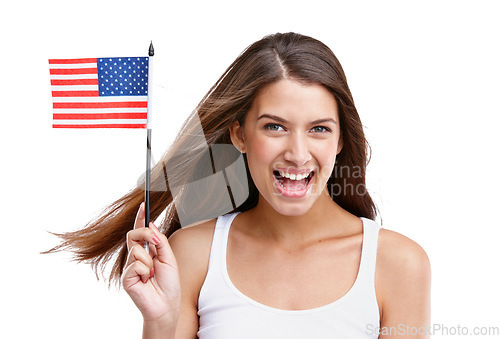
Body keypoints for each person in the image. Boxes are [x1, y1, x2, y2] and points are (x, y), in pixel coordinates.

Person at [49, 32, 431, 338]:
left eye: (318, 129)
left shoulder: (398, 265)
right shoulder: (192, 255)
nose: (298, 154)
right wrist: (160, 325)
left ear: (341, 140)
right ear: (239, 136)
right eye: (274, 126)